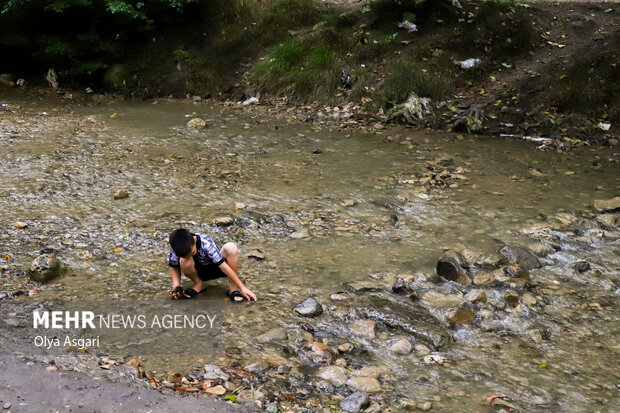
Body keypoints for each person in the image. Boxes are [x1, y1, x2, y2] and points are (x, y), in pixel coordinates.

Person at [167, 228, 256, 302]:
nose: (190, 255)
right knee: (183, 260)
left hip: (217, 267)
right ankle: (198, 285)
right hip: (198, 272)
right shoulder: (176, 248)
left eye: (192, 252)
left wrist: (243, 287)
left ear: (194, 239)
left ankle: (233, 289)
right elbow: (175, 269)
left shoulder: (205, 242)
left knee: (231, 248)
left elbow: (223, 266)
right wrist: (176, 289)